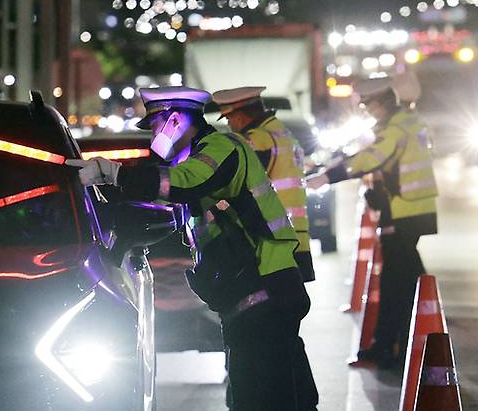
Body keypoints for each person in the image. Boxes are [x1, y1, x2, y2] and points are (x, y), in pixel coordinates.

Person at [67, 86, 317, 410]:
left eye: (156, 125)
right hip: (254, 293)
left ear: (175, 121)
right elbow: (162, 205)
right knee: (273, 395)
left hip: (264, 288)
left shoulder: (222, 148)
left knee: (261, 398)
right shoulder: (197, 156)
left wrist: (113, 173)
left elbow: (186, 181)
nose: (154, 135)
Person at [307, 76, 438, 369]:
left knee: (395, 284)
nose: (366, 110)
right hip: (410, 209)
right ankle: (413, 336)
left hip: (402, 211)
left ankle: (391, 349)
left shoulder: (396, 128)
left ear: (381, 102)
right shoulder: (406, 121)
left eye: (367, 104)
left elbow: (368, 160)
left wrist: (327, 177)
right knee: (410, 278)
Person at [212, 86, 315, 283]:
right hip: (294, 236)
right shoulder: (282, 134)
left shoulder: (259, 139)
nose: (230, 124)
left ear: (239, 115)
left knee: (270, 307)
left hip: (274, 238)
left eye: (228, 119)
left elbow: (233, 176)